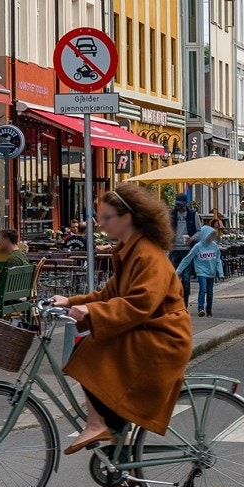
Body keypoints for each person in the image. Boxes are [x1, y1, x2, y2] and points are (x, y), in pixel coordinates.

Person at [50, 183, 191, 470]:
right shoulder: (129, 249)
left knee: (92, 350)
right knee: (96, 351)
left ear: (127, 217)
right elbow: (109, 295)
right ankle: (118, 441)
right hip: (151, 330)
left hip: (164, 336)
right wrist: (70, 301)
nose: (101, 225)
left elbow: (139, 304)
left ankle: (98, 424)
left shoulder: (147, 255)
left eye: (107, 218)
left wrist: (89, 310)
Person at [177, 219, 224, 318]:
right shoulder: (198, 247)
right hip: (201, 271)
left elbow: (218, 260)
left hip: (211, 271)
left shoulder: (214, 246)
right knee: (203, 289)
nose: (211, 237)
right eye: (209, 235)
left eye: (212, 235)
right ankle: (200, 308)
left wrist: (221, 273)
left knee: (210, 291)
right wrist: (179, 270)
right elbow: (187, 259)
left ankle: (209, 309)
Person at [170, 192, 200, 267]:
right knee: (174, 274)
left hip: (188, 248)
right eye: (177, 205)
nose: (179, 207)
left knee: (186, 276)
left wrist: (192, 238)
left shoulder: (193, 214)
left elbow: (199, 231)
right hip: (174, 248)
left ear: (186, 204)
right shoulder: (171, 214)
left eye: (181, 205)